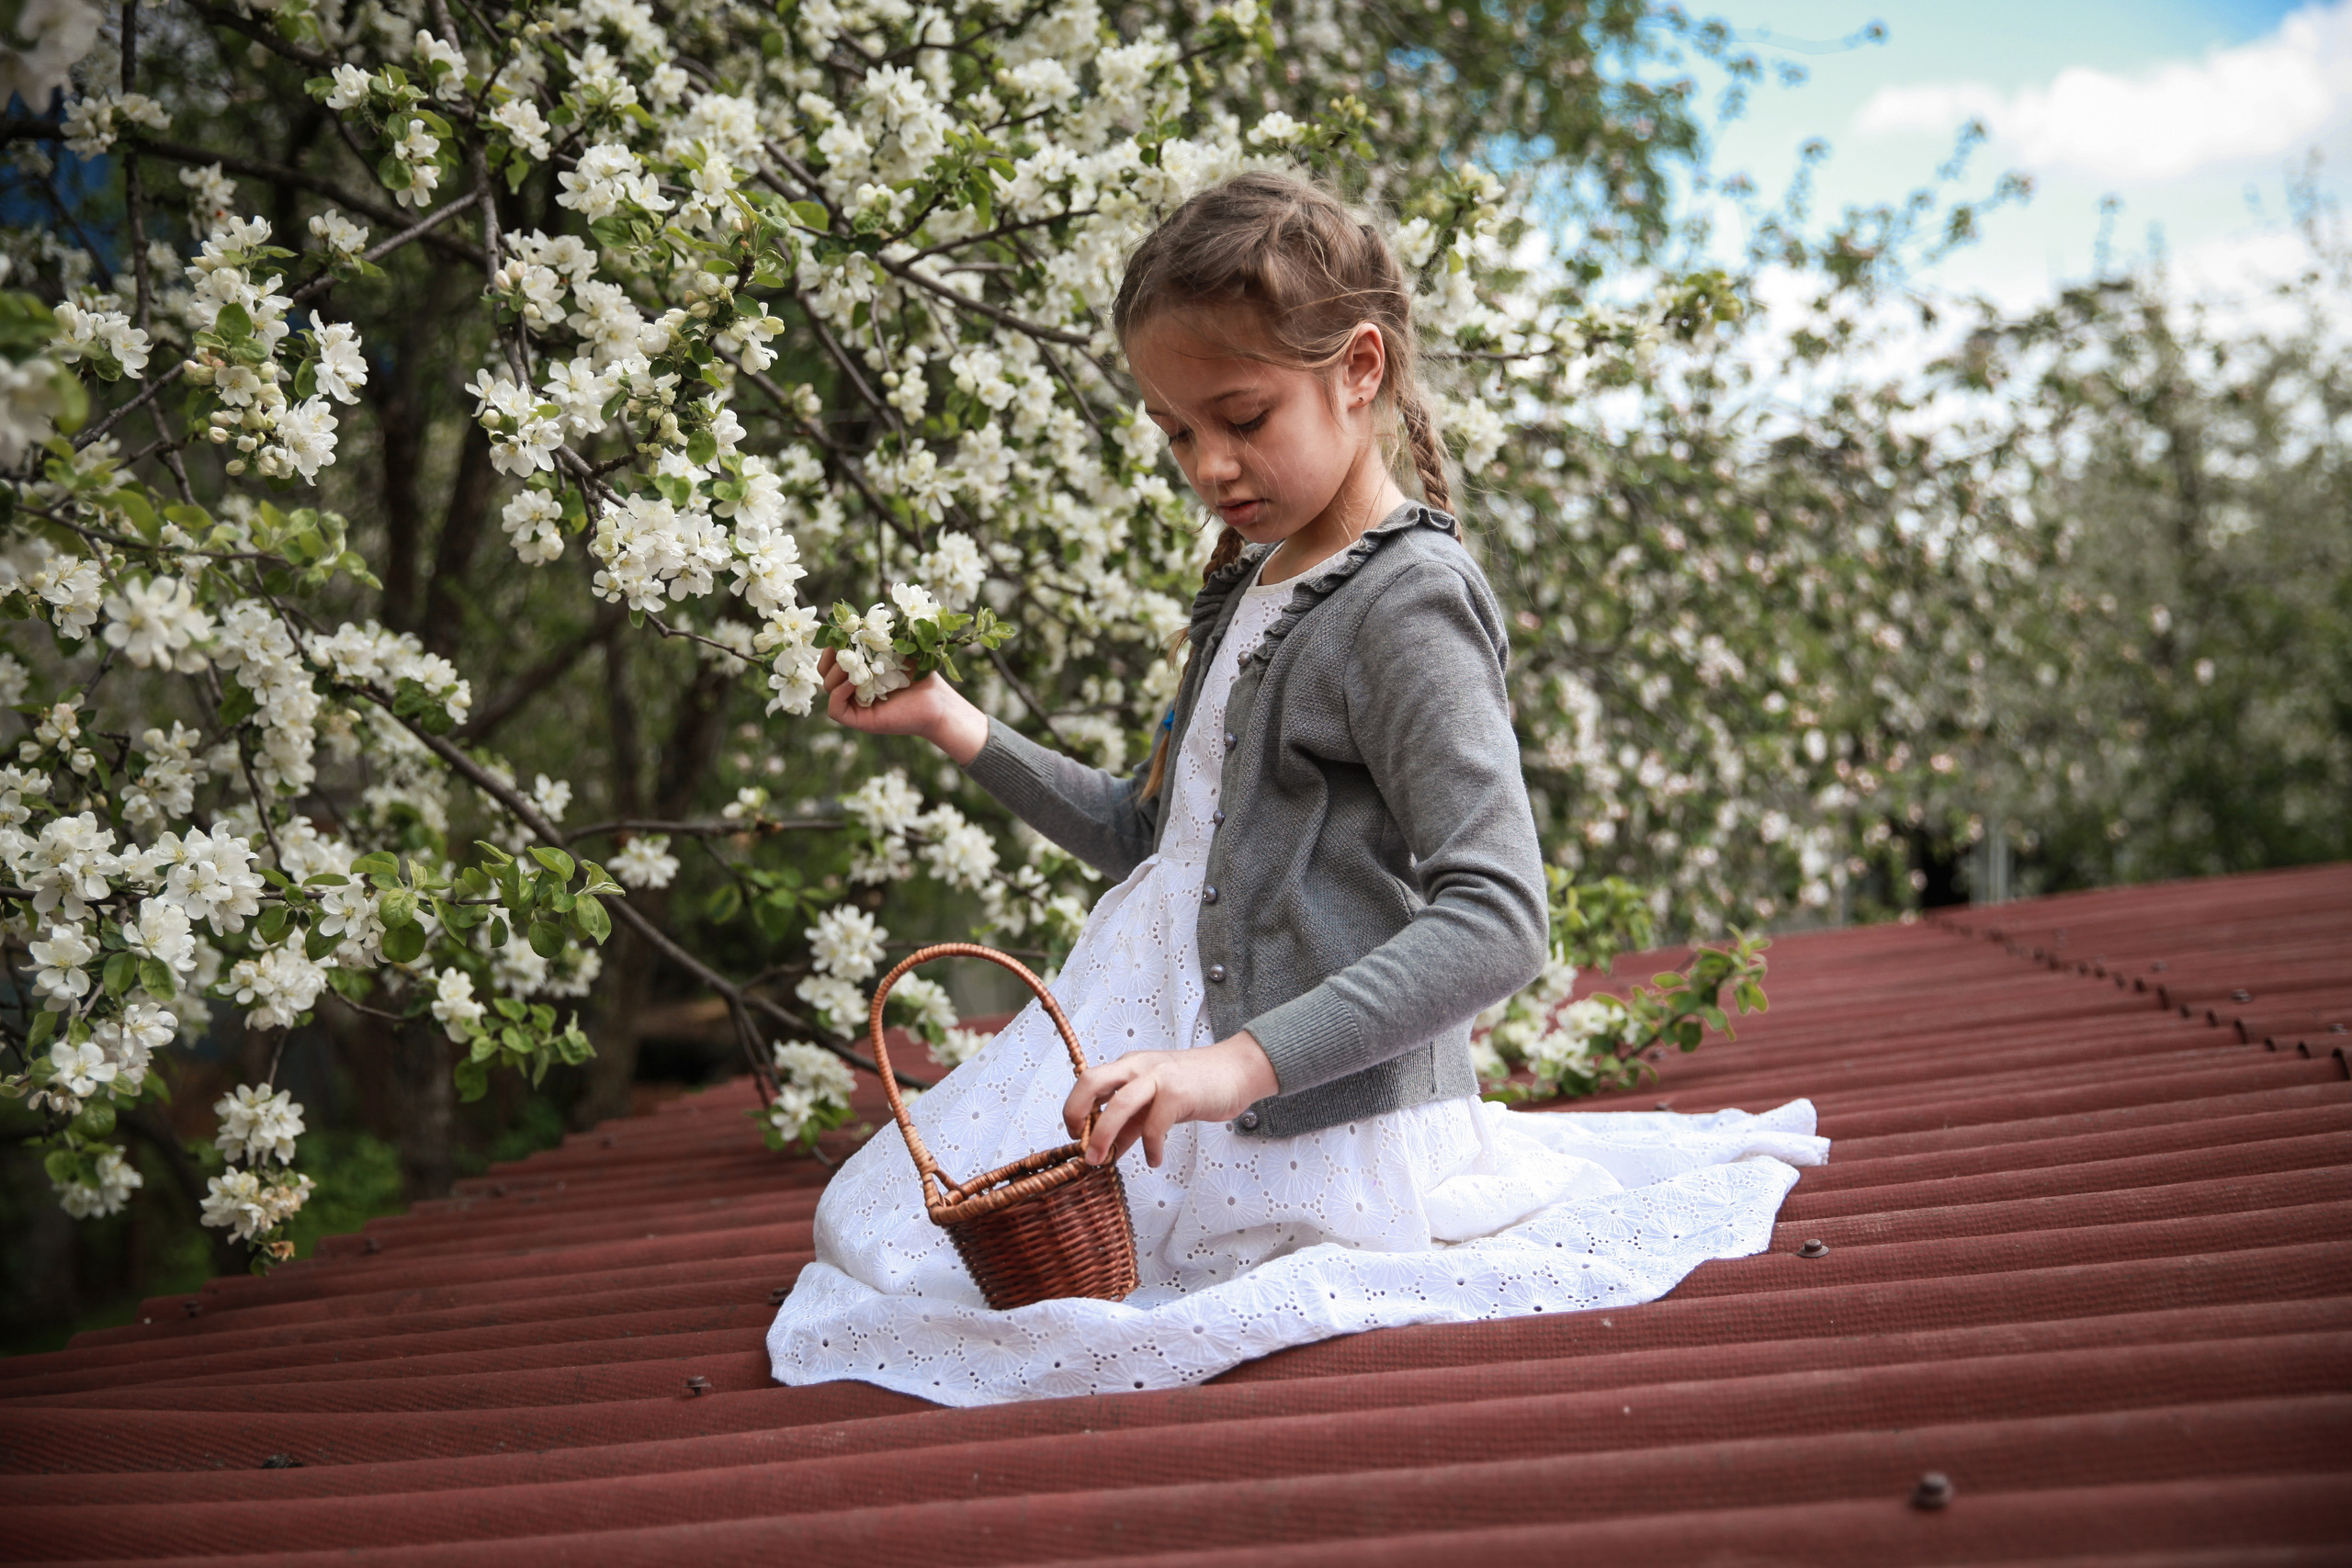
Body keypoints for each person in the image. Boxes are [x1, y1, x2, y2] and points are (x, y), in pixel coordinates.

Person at [767, 172, 1825, 1406]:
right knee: (879, 1227)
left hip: (1298, 1122)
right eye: (1175, 430)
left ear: (1359, 369)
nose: (1208, 463)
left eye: (1243, 416)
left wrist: (1229, 1073)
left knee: (937, 1282)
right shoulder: (1253, 582)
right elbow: (1154, 842)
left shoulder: (1404, 602)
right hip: (1171, 1070)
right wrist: (955, 723)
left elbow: (1499, 918)